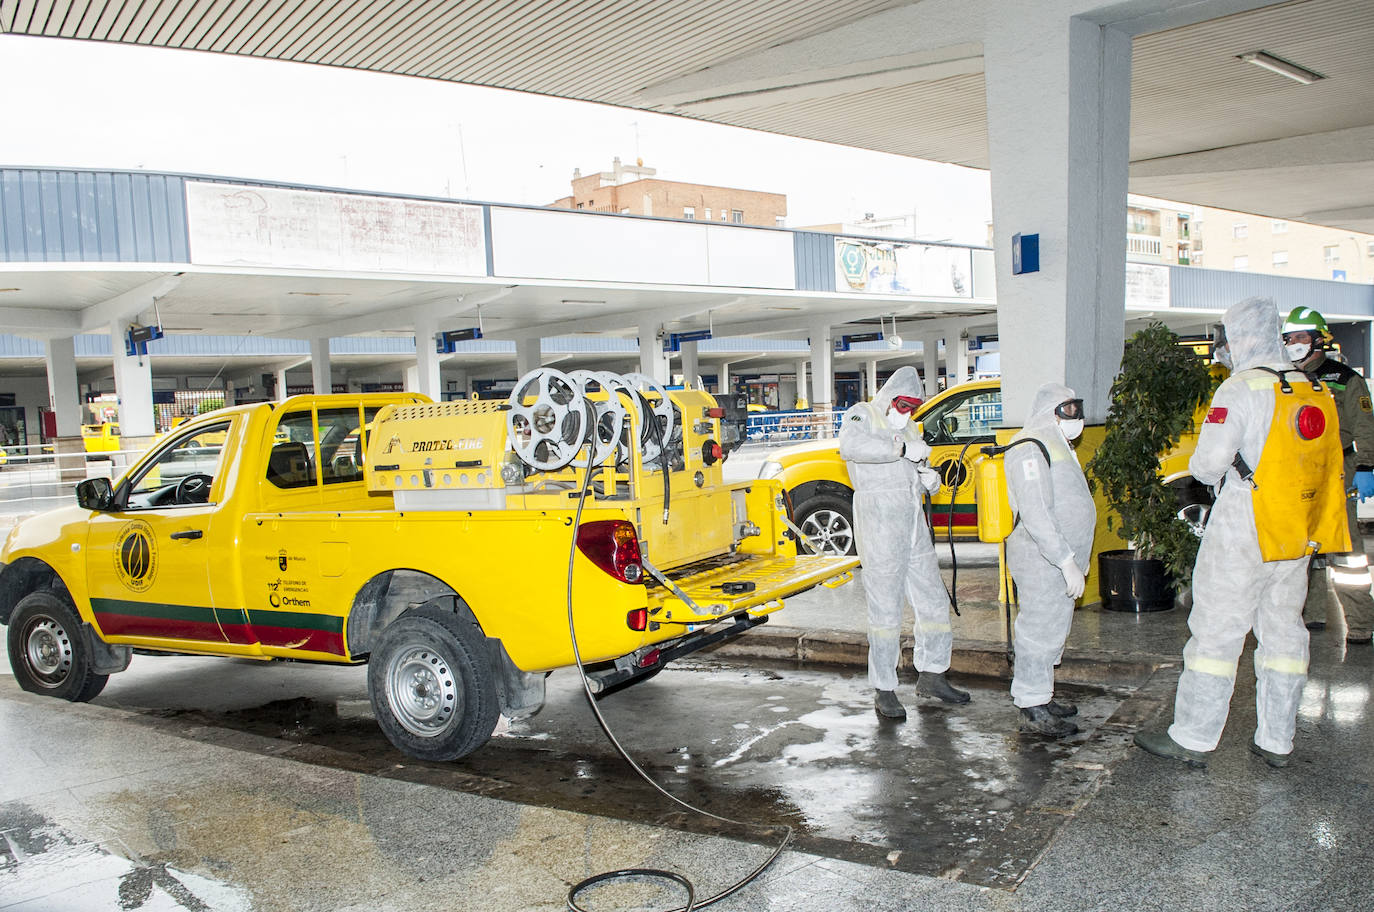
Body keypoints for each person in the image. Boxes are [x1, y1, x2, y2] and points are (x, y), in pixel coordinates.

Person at [1135, 296, 1331, 769]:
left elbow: (1206, 466)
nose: (1221, 346)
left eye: (1224, 335)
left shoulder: (1240, 389)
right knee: (1284, 633)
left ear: (1240, 337)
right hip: (1295, 528)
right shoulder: (1311, 388)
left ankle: (1194, 738)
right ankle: (1277, 740)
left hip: (1244, 527)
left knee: (1216, 635)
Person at [839, 365, 969, 720]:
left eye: (913, 407)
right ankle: (884, 688)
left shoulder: (908, 425)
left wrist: (929, 479)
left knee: (933, 601)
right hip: (880, 527)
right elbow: (852, 447)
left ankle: (933, 673)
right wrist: (901, 449)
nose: (907, 412)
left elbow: (915, 465)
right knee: (885, 610)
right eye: (902, 404)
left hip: (914, 527)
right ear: (888, 398)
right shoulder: (861, 416)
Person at [1002, 383, 1096, 737]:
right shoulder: (1030, 446)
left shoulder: (1058, 443)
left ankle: (1043, 694)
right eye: (1068, 409)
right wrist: (1064, 559)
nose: (1077, 417)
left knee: (1054, 628)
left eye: (1077, 408)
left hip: (1060, 559)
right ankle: (1030, 705)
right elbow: (1037, 511)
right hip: (1041, 558)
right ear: (1050, 411)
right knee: (1038, 630)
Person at [1283, 306, 1374, 644]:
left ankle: (1362, 623)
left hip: (1339, 470)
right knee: (1302, 547)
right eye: (1289, 338)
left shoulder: (1346, 378)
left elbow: (1364, 425)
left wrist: (1366, 466)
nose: (1293, 343)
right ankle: (1310, 615)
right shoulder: (1284, 378)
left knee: (1348, 552)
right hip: (1296, 474)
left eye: (1300, 337)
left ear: (1319, 340)